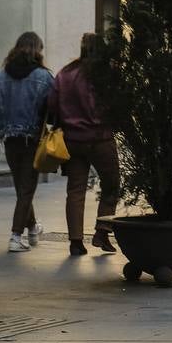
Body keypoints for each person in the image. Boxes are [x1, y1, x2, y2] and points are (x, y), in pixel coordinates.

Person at [48, 32, 121, 256]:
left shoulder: (65, 74)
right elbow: (117, 104)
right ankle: (102, 231)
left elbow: (52, 109)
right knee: (111, 184)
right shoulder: (106, 74)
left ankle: (76, 241)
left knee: (75, 190)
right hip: (100, 139)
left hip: (72, 140)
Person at [0, 31, 54, 253]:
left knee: (22, 187)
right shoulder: (43, 77)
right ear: (37, 51)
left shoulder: (1, 76)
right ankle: (16, 236)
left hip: (10, 140)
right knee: (26, 188)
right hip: (32, 139)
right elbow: (54, 109)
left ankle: (33, 227)